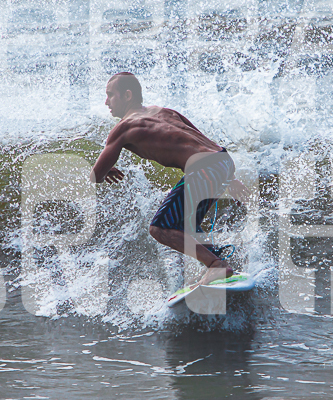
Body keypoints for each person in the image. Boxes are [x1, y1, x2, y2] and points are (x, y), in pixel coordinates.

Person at [90, 73, 246, 287]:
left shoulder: (124, 127)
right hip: (223, 161)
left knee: (160, 228)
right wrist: (230, 177)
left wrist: (105, 171)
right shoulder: (165, 111)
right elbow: (202, 140)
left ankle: (215, 265)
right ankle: (221, 264)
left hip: (204, 169)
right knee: (185, 225)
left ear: (127, 95)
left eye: (110, 95)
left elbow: (96, 175)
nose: (106, 102)